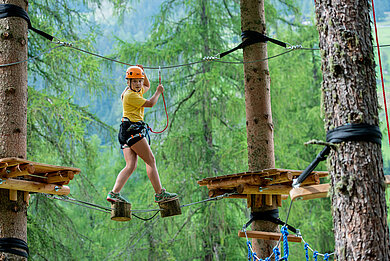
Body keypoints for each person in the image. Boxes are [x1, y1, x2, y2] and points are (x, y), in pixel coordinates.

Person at [107, 65, 178, 203]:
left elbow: (146, 85)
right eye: (135, 81)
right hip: (133, 131)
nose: (139, 84)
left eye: (139, 80)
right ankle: (159, 194)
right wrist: (158, 92)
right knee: (150, 160)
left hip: (126, 131)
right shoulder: (131, 95)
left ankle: (114, 193)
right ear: (128, 82)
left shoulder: (133, 91)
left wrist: (142, 72)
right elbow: (151, 103)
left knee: (131, 166)